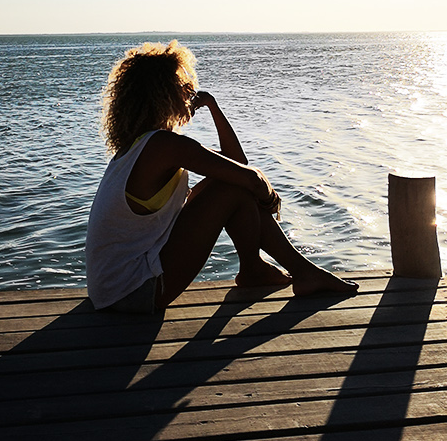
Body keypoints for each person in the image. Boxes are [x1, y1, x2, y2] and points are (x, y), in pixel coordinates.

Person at [84, 41, 358, 313]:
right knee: (234, 188)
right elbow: (250, 178)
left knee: (230, 183)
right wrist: (270, 197)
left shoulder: (139, 147)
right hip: (132, 293)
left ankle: (258, 270)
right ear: (162, 94)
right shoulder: (162, 146)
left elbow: (236, 162)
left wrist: (213, 106)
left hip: (115, 289)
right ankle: (286, 271)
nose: (189, 92)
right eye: (183, 86)